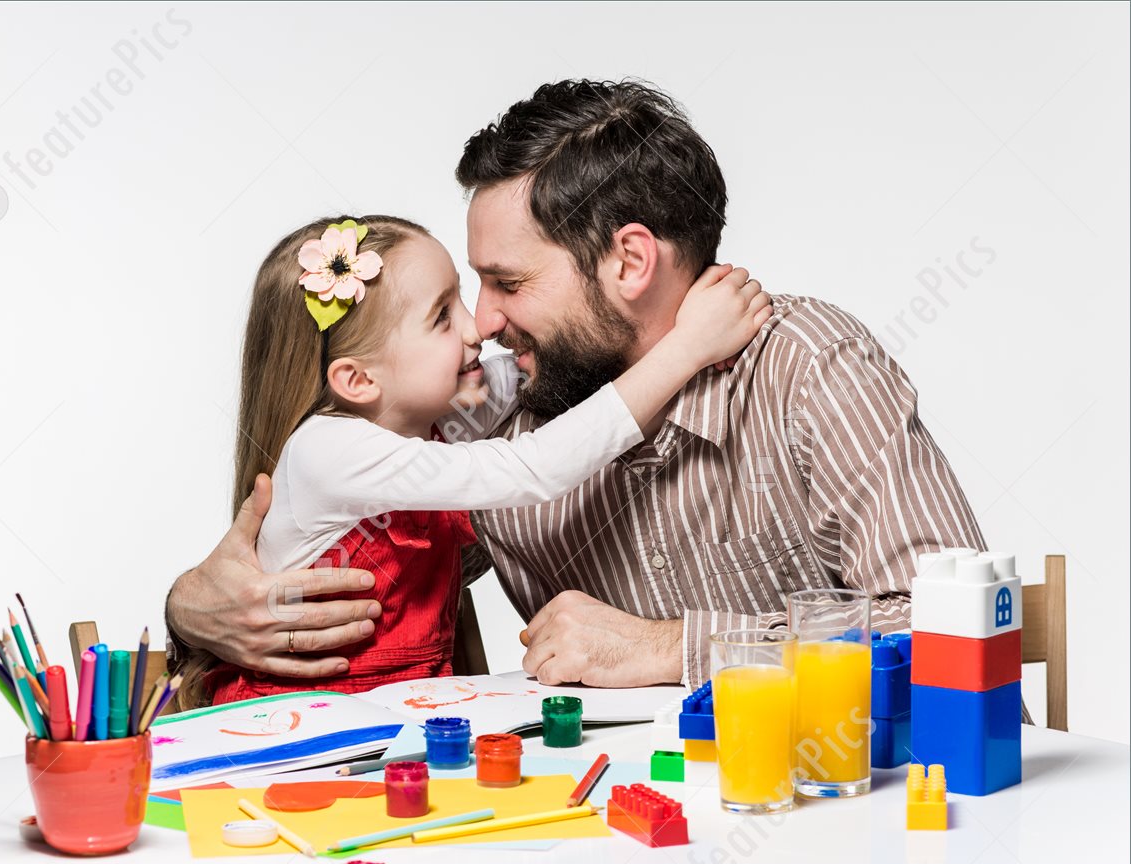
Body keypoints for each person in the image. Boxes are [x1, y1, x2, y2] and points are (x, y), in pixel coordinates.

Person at [166, 79, 987, 697]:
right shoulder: (491, 411)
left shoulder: (809, 368)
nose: (482, 322)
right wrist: (193, 606)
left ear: (630, 262)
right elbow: (371, 561)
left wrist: (670, 649)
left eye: (508, 282)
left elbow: (955, 630)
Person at [177, 212, 771, 708]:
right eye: (442, 317)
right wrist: (687, 347)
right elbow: (535, 467)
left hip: (405, 712)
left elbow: (558, 369)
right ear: (356, 379)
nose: (477, 328)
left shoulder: (434, 417)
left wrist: (654, 313)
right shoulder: (326, 451)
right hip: (300, 718)